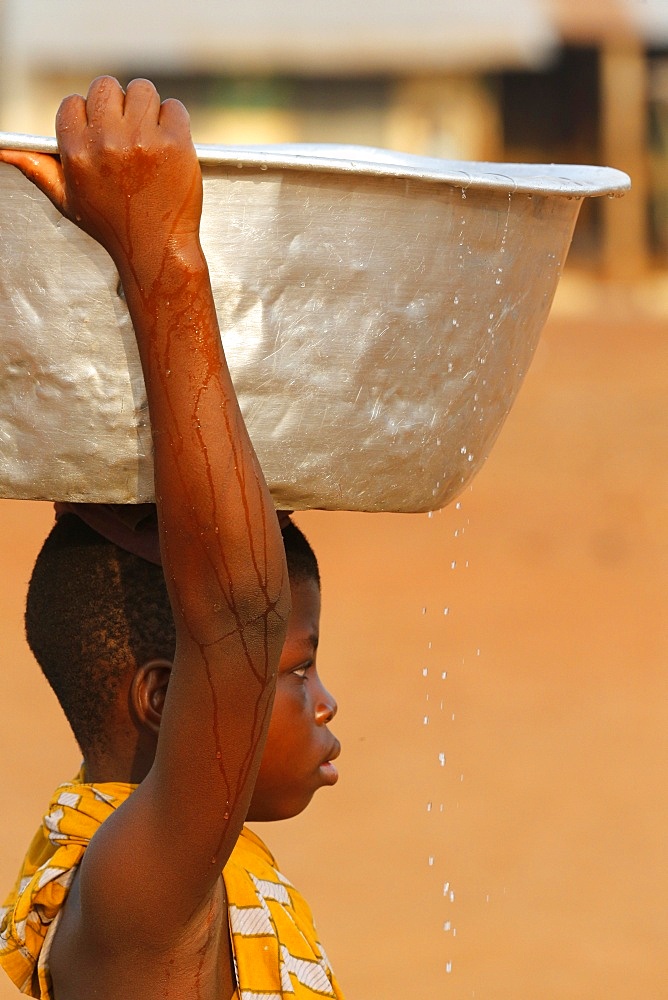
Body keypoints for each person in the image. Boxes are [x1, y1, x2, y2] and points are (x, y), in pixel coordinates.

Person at [0, 77, 343, 999]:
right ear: (164, 696)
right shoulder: (135, 901)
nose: (326, 702)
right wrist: (159, 251)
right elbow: (235, 611)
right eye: (294, 665)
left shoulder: (171, 880)